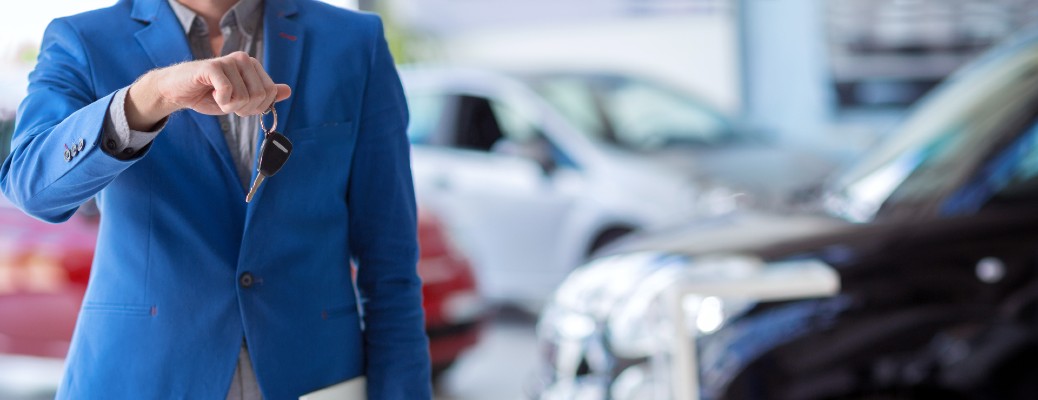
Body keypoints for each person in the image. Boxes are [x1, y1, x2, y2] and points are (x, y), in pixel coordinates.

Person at [0, 0, 431, 398]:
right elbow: (32, 187)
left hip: (314, 375)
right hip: (142, 374)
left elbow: (390, 263)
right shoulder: (85, 39)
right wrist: (151, 97)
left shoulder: (354, 40)